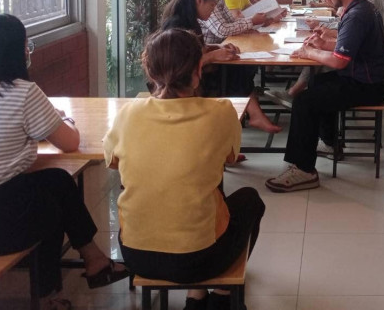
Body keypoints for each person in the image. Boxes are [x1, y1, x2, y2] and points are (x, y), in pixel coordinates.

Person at [0, 14, 128, 310]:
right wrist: (65, 119)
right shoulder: (21, 92)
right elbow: (70, 142)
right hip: (2, 230)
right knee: (53, 203)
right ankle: (53, 291)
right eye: (26, 45)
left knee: (54, 182)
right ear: (11, 52)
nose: (27, 51)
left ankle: (93, 260)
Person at [104, 28, 265, 310]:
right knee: (249, 200)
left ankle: (197, 295)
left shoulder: (127, 114)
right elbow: (230, 158)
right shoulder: (220, 111)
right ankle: (221, 296)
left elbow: (113, 162)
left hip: (135, 254)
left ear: (150, 71)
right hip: (199, 258)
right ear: (198, 70)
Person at [265, 0, 384, 193]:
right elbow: (349, 46)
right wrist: (323, 44)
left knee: (305, 101)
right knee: (317, 83)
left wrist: (309, 52)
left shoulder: (357, 14)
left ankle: (304, 170)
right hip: (365, 78)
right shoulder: (360, 7)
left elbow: (339, 61)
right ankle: (330, 142)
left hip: (368, 84)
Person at [160, 0, 280, 133]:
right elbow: (179, 65)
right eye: (212, 5)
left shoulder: (190, 20)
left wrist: (218, 47)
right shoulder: (176, 25)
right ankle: (250, 116)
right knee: (236, 72)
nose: (212, 11)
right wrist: (212, 56)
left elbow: (196, 48)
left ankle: (252, 114)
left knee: (240, 67)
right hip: (182, 79)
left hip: (195, 70)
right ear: (199, 0)